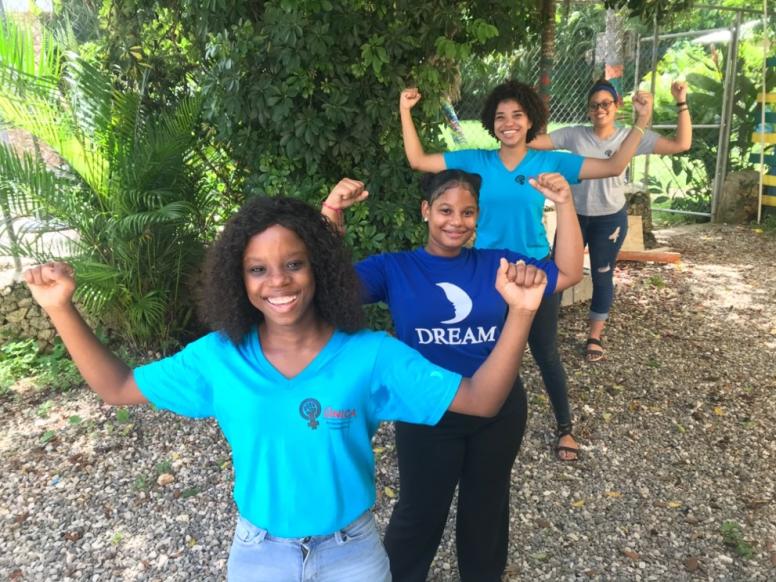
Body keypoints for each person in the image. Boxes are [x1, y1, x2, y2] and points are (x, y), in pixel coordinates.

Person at [24, 194, 548, 582]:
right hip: (260, 555)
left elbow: (483, 400)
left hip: (353, 555)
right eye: (258, 269)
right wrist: (59, 307)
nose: (278, 281)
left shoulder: (370, 354)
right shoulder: (219, 358)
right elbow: (117, 386)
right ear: (239, 278)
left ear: (318, 268)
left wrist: (521, 313)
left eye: (293, 263)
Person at [322, 170, 583, 582]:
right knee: (420, 511)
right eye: (445, 210)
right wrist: (332, 212)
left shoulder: (497, 264)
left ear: (478, 216)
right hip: (428, 411)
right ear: (426, 211)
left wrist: (565, 205)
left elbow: (568, 273)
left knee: (487, 508)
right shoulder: (396, 268)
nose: (456, 221)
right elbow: (329, 290)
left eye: (467, 212)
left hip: (497, 409)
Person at [398, 80, 653, 462]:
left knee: (545, 351)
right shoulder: (478, 161)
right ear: (491, 123)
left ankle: (565, 426)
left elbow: (615, 165)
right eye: (500, 117)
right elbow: (419, 160)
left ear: (530, 119)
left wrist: (641, 121)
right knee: (484, 347)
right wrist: (405, 111)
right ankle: (476, 415)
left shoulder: (551, 161)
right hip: (487, 272)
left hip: (536, 270)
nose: (509, 123)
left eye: (517, 115)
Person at [528, 78, 692, 361]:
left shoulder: (632, 135)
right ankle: (546, 333)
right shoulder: (574, 135)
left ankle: (595, 335)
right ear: (588, 111)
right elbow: (532, 141)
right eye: (594, 105)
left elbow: (682, 143)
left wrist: (681, 101)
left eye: (606, 103)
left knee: (603, 276)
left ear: (617, 106)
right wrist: (522, 117)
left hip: (609, 219)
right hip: (574, 217)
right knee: (558, 271)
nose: (600, 109)